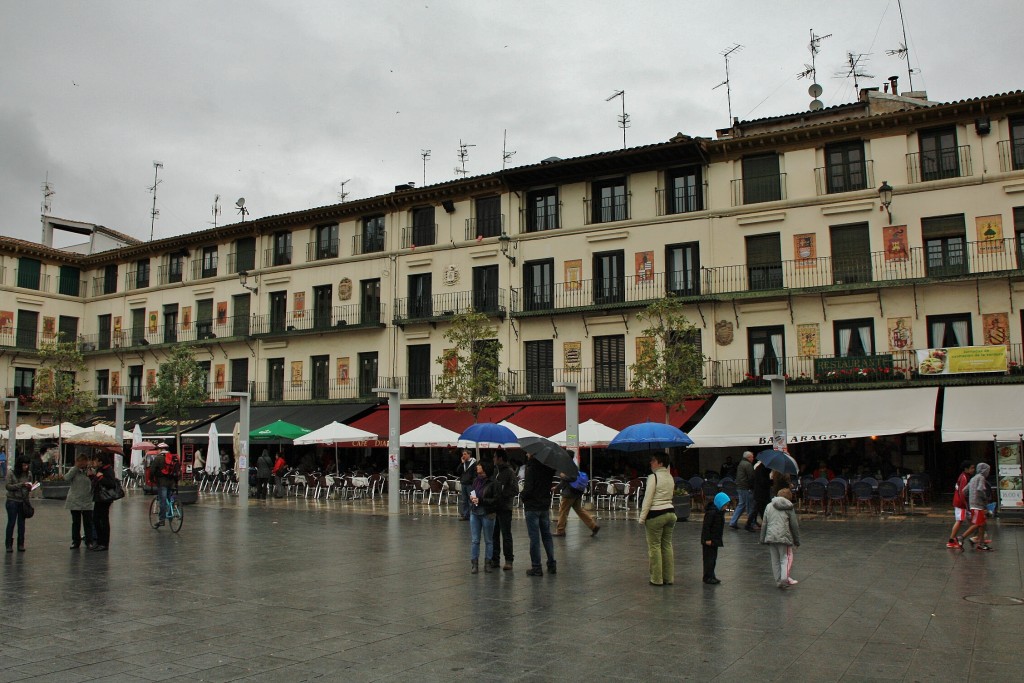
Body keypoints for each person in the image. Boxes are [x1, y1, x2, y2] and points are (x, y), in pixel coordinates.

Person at [639, 452, 677, 586]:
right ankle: (668, 577)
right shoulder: (670, 477)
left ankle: (656, 578)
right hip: (670, 513)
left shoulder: (653, 477)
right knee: (667, 545)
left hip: (656, 514)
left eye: (653, 460)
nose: (651, 463)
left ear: (660, 463)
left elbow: (648, 498)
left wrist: (642, 517)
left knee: (654, 547)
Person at [521, 452, 556, 577]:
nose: (526, 454)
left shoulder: (531, 468)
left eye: (528, 452)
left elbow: (528, 488)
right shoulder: (549, 468)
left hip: (532, 506)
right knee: (547, 536)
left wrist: (522, 496)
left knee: (534, 538)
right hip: (544, 506)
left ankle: (536, 567)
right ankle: (552, 564)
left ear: (532, 454)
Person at [760, 487, 801, 588]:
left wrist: (762, 538)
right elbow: (794, 525)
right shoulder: (789, 507)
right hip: (784, 537)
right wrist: (796, 540)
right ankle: (784, 578)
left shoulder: (769, 506)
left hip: (770, 536)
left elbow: (764, 523)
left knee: (775, 560)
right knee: (784, 558)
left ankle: (778, 581)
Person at [468, 461, 498, 574]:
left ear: (486, 470)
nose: (478, 473)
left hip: (487, 513)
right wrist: (472, 497)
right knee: (475, 540)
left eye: (480, 471)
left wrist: (481, 500)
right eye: (478, 471)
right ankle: (474, 564)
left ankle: (488, 563)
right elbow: (472, 491)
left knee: (488, 540)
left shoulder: (493, 483)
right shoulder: (476, 480)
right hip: (475, 512)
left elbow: (496, 500)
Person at [554, 466, 600, 537]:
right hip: (577, 494)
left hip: (569, 494)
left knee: (563, 511)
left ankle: (560, 530)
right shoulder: (574, 468)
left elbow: (569, 479)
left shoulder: (568, 469)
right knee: (580, 510)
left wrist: (561, 479)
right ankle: (593, 526)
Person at [490, 451, 516, 571]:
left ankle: (509, 560)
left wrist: (502, 493)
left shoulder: (509, 472)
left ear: (500, 458)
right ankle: (495, 559)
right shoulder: (495, 471)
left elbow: (515, 489)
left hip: (505, 507)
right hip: (495, 507)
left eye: (495, 457)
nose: (493, 459)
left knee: (506, 534)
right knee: (494, 535)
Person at [959, 462, 994, 551]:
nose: (988, 472)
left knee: (982, 524)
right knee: (978, 524)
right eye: (988, 470)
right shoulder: (981, 478)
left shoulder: (973, 478)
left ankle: (981, 543)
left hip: (973, 504)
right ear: (984, 471)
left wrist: (971, 497)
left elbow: (964, 491)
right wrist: (985, 498)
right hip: (978, 504)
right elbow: (980, 490)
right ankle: (962, 537)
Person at [65, 454, 96, 549]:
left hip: (87, 500)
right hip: (75, 500)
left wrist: (92, 475)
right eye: (80, 461)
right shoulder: (74, 470)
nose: (82, 463)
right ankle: (75, 541)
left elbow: (95, 482)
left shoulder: (91, 471)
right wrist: (76, 468)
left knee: (88, 522)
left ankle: (89, 541)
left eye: (84, 461)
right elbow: (66, 478)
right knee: (76, 522)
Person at [701, 492, 730, 584]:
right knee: (709, 559)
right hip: (710, 540)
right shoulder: (712, 513)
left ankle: (711, 575)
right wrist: (707, 539)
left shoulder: (719, 513)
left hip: (714, 539)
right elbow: (706, 527)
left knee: (713, 558)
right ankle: (708, 576)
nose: (726, 507)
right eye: (725, 505)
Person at [91, 452, 118, 551]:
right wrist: (93, 476)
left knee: (103, 519)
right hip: (99, 497)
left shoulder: (108, 470)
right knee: (96, 519)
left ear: (101, 461)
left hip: (105, 498)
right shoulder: (100, 469)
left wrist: (101, 477)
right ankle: (99, 541)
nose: (94, 462)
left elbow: (111, 483)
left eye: (96, 460)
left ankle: (104, 543)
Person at [5, 457, 32, 552]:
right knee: (11, 523)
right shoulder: (11, 473)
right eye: (24, 465)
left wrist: (30, 487)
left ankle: (21, 544)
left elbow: (29, 487)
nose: (26, 467)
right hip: (12, 500)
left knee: (21, 524)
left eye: (27, 465)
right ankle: (9, 544)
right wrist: (20, 485)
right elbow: (8, 486)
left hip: (23, 501)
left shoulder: (29, 474)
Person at [150, 447, 180, 528]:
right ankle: (171, 515)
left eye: (158, 450)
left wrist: (151, 479)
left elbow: (152, 470)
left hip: (162, 483)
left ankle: (162, 519)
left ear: (161, 450)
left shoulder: (158, 458)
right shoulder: (173, 458)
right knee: (169, 499)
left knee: (162, 501)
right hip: (171, 483)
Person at [947, 460, 975, 548]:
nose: (973, 470)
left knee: (970, 521)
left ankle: (975, 537)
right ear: (966, 469)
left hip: (961, 502)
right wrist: (966, 505)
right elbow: (962, 492)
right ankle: (951, 540)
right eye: (971, 468)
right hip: (961, 503)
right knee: (959, 521)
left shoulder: (965, 476)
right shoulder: (964, 478)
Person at [728, 451, 755, 530]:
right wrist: (752, 486)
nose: (753, 458)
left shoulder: (741, 463)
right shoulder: (748, 465)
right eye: (752, 457)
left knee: (742, 504)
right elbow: (751, 476)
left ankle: (733, 522)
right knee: (749, 506)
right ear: (748, 457)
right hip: (745, 487)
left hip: (740, 486)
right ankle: (751, 523)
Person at [748, 460, 771, 531]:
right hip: (761, 493)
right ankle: (748, 524)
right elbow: (763, 482)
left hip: (759, 493)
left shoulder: (759, 469)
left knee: (760, 509)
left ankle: (766, 524)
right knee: (757, 509)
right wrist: (770, 482)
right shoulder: (762, 470)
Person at [457, 450, 477, 521]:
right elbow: (458, 471)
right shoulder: (464, 463)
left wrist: (472, 481)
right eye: (463, 454)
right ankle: (466, 515)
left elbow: (475, 474)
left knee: (472, 500)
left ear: (469, 455)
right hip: (464, 483)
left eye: (465, 454)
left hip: (470, 484)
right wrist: (462, 463)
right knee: (464, 500)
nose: (463, 456)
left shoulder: (474, 463)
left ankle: (473, 515)